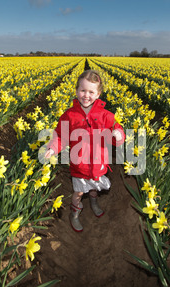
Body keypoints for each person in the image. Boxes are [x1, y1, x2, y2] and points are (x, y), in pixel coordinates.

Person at [44, 70, 125, 232]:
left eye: (91, 92)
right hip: (79, 165)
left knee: (94, 187)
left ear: (98, 94)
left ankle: (94, 201)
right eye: (82, 90)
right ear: (76, 91)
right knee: (79, 192)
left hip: (98, 163)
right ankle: (74, 213)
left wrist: (118, 134)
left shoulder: (106, 115)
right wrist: (53, 148)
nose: (86, 95)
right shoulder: (69, 115)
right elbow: (60, 135)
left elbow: (118, 132)